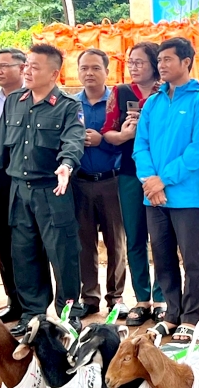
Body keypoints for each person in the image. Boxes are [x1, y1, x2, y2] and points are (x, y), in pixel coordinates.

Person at [0, 43, 85, 336]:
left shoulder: (68, 105)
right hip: (18, 191)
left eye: (34, 66)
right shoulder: (15, 101)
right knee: (23, 253)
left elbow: (74, 140)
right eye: (26, 64)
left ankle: (69, 313)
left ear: (54, 73)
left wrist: (66, 164)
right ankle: (33, 313)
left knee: (62, 252)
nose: (27, 70)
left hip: (52, 190)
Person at [132, 37, 199, 342]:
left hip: (186, 196)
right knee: (162, 256)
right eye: (160, 60)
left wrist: (162, 180)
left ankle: (191, 317)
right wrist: (149, 181)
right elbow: (140, 145)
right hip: (153, 195)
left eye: (168, 59)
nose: (162, 65)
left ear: (186, 63)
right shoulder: (153, 103)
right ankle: (171, 314)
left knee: (191, 258)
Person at [102, 42, 167, 326]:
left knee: (163, 239)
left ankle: (163, 298)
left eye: (140, 61)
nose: (134, 66)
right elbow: (107, 133)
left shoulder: (167, 91)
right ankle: (142, 299)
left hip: (162, 175)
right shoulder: (120, 92)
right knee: (135, 236)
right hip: (130, 172)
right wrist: (127, 134)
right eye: (131, 61)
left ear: (154, 64)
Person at [73, 48, 127, 319]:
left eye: (95, 67)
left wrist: (102, 140)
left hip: (111, 181)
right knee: (84, 242)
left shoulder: (116, 102)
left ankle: (115, 297)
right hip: (80, 182)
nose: (89, 73)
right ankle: (89, 297)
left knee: (116, 240)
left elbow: (127, 141)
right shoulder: (71, 104)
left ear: (107, 71)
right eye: (84, 68)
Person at [0, 48, 26, 323]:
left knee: (32, 242)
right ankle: (14, 299)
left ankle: (38, 302)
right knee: (4, 242)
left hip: (27, 175)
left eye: (4, 66)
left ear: (23, 68)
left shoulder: (33, 96)